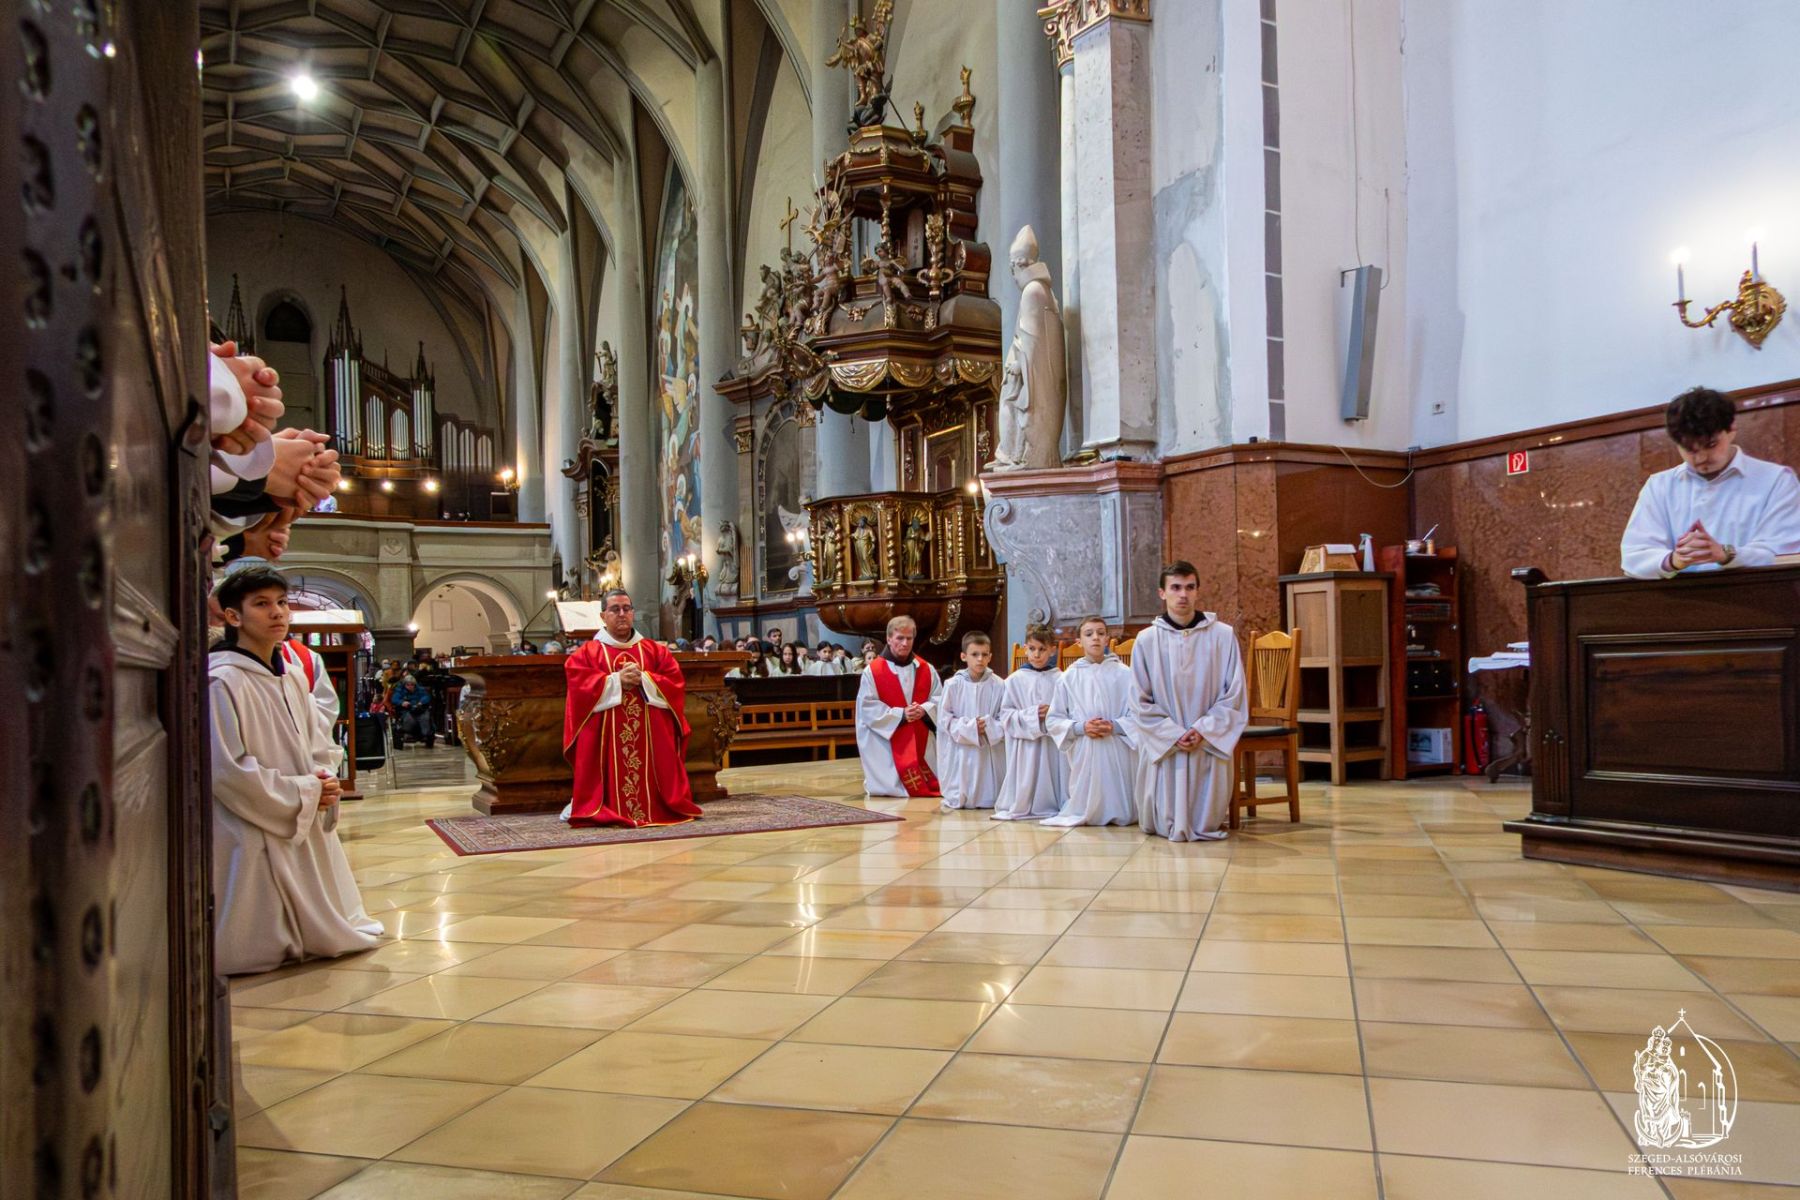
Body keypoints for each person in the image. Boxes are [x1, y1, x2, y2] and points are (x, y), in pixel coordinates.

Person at [208, 565, 381, 975]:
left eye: (282, 603)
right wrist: (302, 792)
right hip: (249, 811)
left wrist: (324, 778)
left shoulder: (292, 675)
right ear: (233, 616)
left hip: (301, 800)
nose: (278, 613)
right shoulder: (222, 680)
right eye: (261, 604)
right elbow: (226, 767)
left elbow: (316, 740)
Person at [1620, 386, 1800, 579]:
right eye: (1690, 449)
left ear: (1731, 429)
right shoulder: (1660, 486)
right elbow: (1633, 558)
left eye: (1711, 445)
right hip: (1679, 595)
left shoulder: (1776, 480)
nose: (1701, 458)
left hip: (1759, 593)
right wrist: (1674, 560)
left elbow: (1786, 555)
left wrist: (1727, 554)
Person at [561, 587, 704, 828]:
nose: (622, 614)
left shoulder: (655, 651)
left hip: (649, 739)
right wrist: (616, 681)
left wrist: (644, 679)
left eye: (626, 609)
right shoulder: (587, 654)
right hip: (606, 740)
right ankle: (605, 805)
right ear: (603, 616)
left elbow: (675, 684)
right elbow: (579, 689)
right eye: (615, 609)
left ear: (633, 613)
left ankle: (656, 805)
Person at [1129, 562, 1249, 841]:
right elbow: (1139, 700)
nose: (1183, 594)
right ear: (1162, 593)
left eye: (1189, 587)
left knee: (1205, 816)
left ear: (1197, 591)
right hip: (1166, 742)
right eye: (1175, 587)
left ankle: (1204, 820)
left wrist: (1203, 730)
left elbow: (1234, 693)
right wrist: (1172, 734)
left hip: (1206, 740)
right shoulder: (1146, 640)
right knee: (1160, 819)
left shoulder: (1222, 635)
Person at [1042, 617, 1136, 827]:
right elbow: (1054, 719)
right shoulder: (1068, 677)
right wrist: (1081, 727)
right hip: (1085, 746)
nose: (1095, 638)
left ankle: (1120, 810)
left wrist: (1115, 726)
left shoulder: (1125, 674)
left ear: (1107, 638)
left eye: (1101, 633)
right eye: (1089, 634)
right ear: (1079, 641)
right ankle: (1085, 809)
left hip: (1117, 745)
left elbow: (1138, 714)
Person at [854, 615, 942, 797]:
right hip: (888, 739)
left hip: (920, 734)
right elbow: (867, 707)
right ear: (888, 639)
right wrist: (901, 714)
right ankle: (892, 783)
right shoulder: (873, 671)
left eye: (909, 638)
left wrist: (924, 710)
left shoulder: (927, 669)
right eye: (899, 638)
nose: (905, 643)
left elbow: (940, 699)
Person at [992, 625, 1069, 821]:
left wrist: (1053, 714)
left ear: (1052, 650)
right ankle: (1024, 802)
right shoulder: (1014, 680)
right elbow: (1006, 716)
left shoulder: (1061, 679)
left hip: (1052, 744)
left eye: (1042, 649)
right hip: (1025, 745)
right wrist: (1033, 715)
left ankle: (1055, 802)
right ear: (1025, 649)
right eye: (1032, 649)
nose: (1037, 654)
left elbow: (1070, 712)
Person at [937, 632, 1007, 812]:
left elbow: (1005, 717)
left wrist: (989, 726)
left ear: (990, 657)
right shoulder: (953, 685)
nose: (980, 659)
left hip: (988, 748)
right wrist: (970, 728)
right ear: (963, 656)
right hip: (962, 749)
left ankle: (989, 795)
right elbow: (945, 720)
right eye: (974, 654)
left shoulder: (999, 685)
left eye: (984, 654)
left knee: (989, 790)